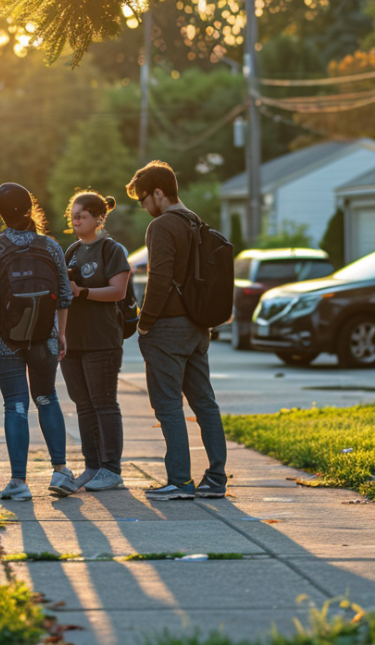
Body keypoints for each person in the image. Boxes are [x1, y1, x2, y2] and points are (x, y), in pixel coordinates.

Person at [127, 161, 228, 500]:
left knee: (168, 405)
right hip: (198, 327)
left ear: (159, 193)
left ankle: (180, 480)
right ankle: (216, 477)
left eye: (144, 198)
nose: (144, 206)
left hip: (168, 328)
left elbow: (159, 278)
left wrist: (144, 323)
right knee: (204, 403)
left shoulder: (163, 226)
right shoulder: (196, 222)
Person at [0, 183, 75, 500]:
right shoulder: (51, 247)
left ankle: (19, 483)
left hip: (6, 338)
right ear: (31, 208)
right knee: (47, 398)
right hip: (44, 336)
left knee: (15, 405)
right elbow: (64, 295)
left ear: (1, 213)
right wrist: (60, 333)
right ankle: (61, 471)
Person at [61, 190, 132, 493]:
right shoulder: (72, 250)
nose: (76, 221)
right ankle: (92, 467)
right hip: (73, 340)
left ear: (98, 218)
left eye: (82, 216)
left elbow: (118, 291)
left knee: (104, 404)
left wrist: (83, 292)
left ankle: (111, 469)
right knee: (83, 405)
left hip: (102, 340)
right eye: (73, 216)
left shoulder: (111, 250)